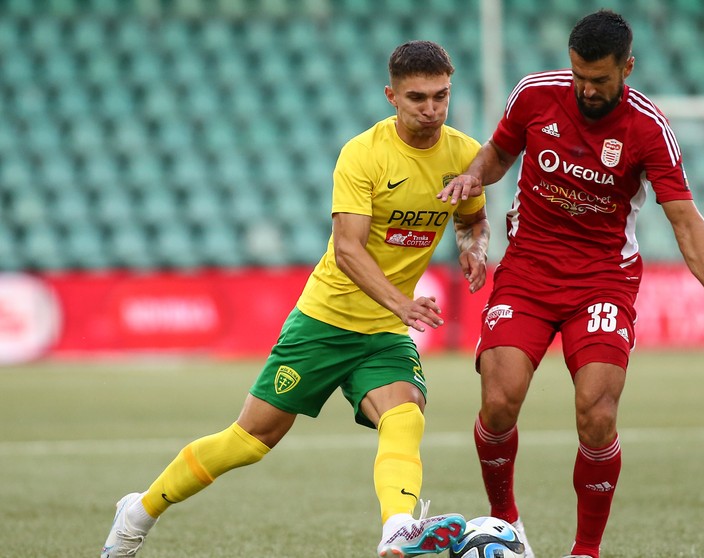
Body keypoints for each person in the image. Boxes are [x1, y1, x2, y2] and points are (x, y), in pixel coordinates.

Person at [101, 40, 490, 558]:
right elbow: (348, 250)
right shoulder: (364, 154)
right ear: (391, 96)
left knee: (405, 415)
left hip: (383, 335)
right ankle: (137, 512)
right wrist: (400, 303)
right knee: (248, 442)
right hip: (324, 321)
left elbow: (472, 219)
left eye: (441, 96)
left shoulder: (465, 154)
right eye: (417, 97)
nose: (431, 109)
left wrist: (473, 248)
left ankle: (398, 526)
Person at [438, 10, 704, 558]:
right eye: (579, 76)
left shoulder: (647, 127)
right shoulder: (536, 96)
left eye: (601, 80)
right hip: (528, 271)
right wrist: (474, 175)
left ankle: (586, 550)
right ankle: (505, 524)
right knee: (498, 401)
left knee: (598, 414)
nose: (587, 90)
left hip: (602, 280)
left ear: (627, 68)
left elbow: (684, 217)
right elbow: (497, 154)